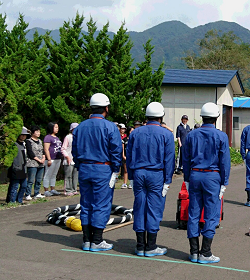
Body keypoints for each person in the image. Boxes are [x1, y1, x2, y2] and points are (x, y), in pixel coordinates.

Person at [73, 93, 122, 252]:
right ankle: (97, 241)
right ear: (106, 108)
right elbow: (116, 150)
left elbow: (75, 151)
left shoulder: (80, 126)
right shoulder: (110, 127)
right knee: (101, 204)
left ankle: (86, 240)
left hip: (85, 168)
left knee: (86, 204)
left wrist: (80, 165)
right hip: (102, 168)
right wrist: (116, 170)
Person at [182, 102, 230, 264]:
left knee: (193, 213)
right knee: (211, 214)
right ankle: (206, 253)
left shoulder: (191, 135)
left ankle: (194, 252)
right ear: (216, 117)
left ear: (202, 117)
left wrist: (187, 179)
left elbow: (186, 159)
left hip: (195, 175)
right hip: (212, 177)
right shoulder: (221, 136)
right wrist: (224, 182)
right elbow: (225, 162)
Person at [127, 102, 175, 257]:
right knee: (154, 208)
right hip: (156, 174)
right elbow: (169, 159)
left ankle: (140, 245)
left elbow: (129, 156)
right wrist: (168, 180)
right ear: (161, 117)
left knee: (139, 207)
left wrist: (131, 176)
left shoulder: (135, 133)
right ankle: (151, 246)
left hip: (139, 173)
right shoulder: (166, 134)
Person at [6, 127, 31, 204]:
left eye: (25, 135)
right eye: (22, 135)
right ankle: (12, 201)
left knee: (24, 185)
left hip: (23, 168)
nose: (23, 136)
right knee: (15, 186)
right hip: (15, 168)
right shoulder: (14, 144)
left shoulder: (24, 144)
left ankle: (19, 200)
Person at [25, 125, 46, 200]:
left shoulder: (40, 141)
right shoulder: (28, 141)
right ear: (33, 132)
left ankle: (37, 193)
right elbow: (30, 153)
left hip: (41, 163)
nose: (38, 133)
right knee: (31, 180)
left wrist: (43, 157)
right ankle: (28, 194)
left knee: (39, 179)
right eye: (37, 131)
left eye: (39, 132)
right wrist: (38, 159)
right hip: (32, 163)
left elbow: (43, 150)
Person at [43, 122, 62, 197]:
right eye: (55, 127)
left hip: (58, 158)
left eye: (57, 127)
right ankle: (46, 190)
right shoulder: (48, 137)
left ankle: (52, 188)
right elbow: (46, 149)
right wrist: (49, 159)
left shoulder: (56, 137)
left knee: (54, 174)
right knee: (48, 174)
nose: (57, 129)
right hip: (51, 158)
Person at [62, 123, 79, 196]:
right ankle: (68, 190)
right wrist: (67, 157)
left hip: (76, 159)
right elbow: (63, 149)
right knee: (68, 175)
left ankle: (74, 189)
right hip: (68, 159)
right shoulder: (68, 137)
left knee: (75, 175)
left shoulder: (79, 137)